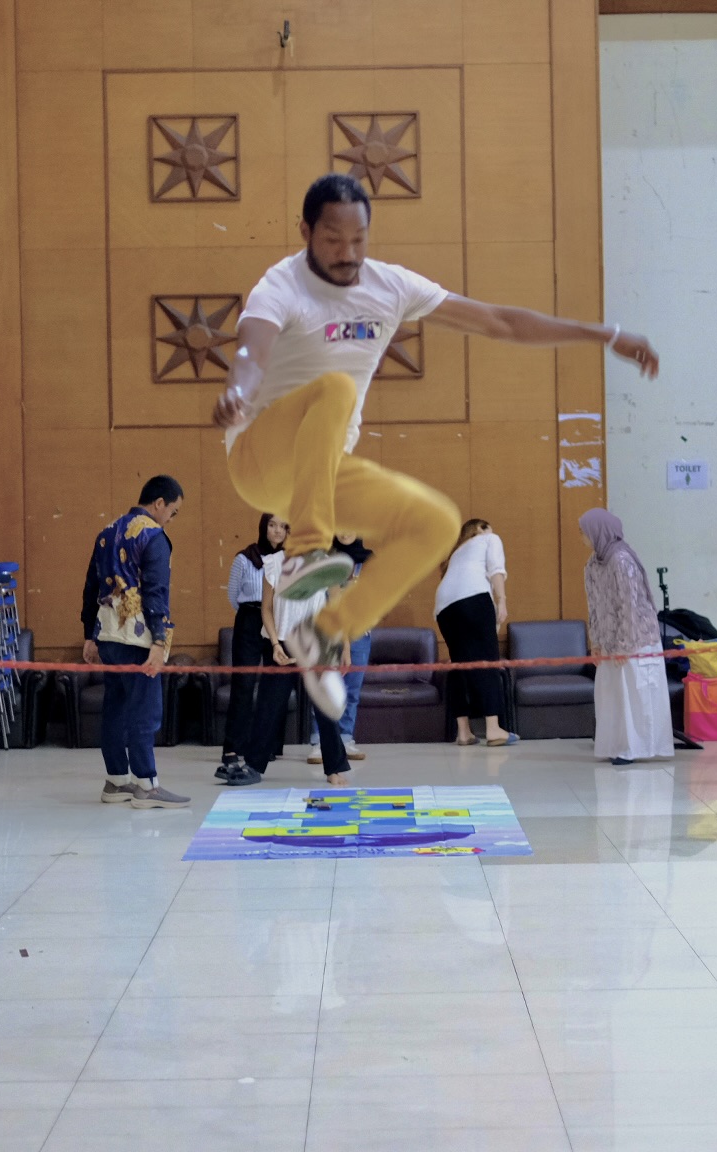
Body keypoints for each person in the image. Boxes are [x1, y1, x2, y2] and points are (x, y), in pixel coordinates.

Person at [213, 173, 659, 721]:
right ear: (305, 231)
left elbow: (500, 321)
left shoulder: (392, 286)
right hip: (259, 457)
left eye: (358, 240)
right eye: (332, 240)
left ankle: (325, 632)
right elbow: (251, 350)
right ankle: (306, 556)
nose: (348, 254)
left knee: (436, 523)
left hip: (322, 471)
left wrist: (605, 335)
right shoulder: (280, 285)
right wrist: (239, 391)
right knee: (335, 389)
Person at [81, 476, 189, 809]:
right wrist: (158, 640)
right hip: (138, 637)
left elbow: (91, 586)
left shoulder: (107, 531)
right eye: (173, 511)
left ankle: (116, 781)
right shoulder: (153, 536)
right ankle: (146, 785)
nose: (171, 518)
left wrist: (89, 635)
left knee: (116, 706)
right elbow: (156, 592)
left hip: (107, 634)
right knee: (145, 710)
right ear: (159, 503)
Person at [228, 540, 354, 786]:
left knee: (325, 706)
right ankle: (253, 765)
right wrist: (275, 644)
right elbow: (266, 608)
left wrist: (346, 645)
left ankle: (335, 768)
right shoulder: (273, 563)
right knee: (269, 705)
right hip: (281, 645)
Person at [581, 509, 674, 764]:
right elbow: (594, 606)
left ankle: (633, 749)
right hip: (608, 641)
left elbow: (629, 606)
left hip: (635, 641)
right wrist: (596, 641)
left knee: (634, 696)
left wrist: (624, 646)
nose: (582, 536)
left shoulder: (621, 560)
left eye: (584, 531)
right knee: (611, 696)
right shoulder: (593, 564)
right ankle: (615, 746)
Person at [437, 519, 516, 746]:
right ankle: (493, 729)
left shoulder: (456, 552)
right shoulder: (489, 539)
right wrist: (502, 600)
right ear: (481, 529)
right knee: (487, 661)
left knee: (459, 666)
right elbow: (496, 570)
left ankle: (463, 732)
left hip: (444, 607)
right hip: (473, 599)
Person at [220, 514, 284, 777]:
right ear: (263, 527)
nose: (277, 530)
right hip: (248, 620)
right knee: (244, 685)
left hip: (277, 623)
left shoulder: (289, 561)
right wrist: (254, 614)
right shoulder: (245, 558)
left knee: (274, 686)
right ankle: (232, 748)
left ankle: (267, 746)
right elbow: (232, 596)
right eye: (272, 525)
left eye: (283, 526)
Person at [313, 534, 374, 766]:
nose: (346, 532)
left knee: (352, 690)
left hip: (359, 633)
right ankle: (319, 741)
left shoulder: (369, 561)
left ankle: (345, 738)